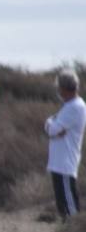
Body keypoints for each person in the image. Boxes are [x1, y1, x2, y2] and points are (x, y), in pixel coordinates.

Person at [44, 70, 84, 222]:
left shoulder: (75, 107)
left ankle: (74, 226)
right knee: (61, 198)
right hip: (58, 160)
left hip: (66, 160)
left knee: (69, 199)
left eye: (59, 87)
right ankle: (65, 225)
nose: (58, 91)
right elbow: (52, 127)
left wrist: (50, 124)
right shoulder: (68, 106)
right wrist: (50, 124)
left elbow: (54, 129)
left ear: (64, 88)